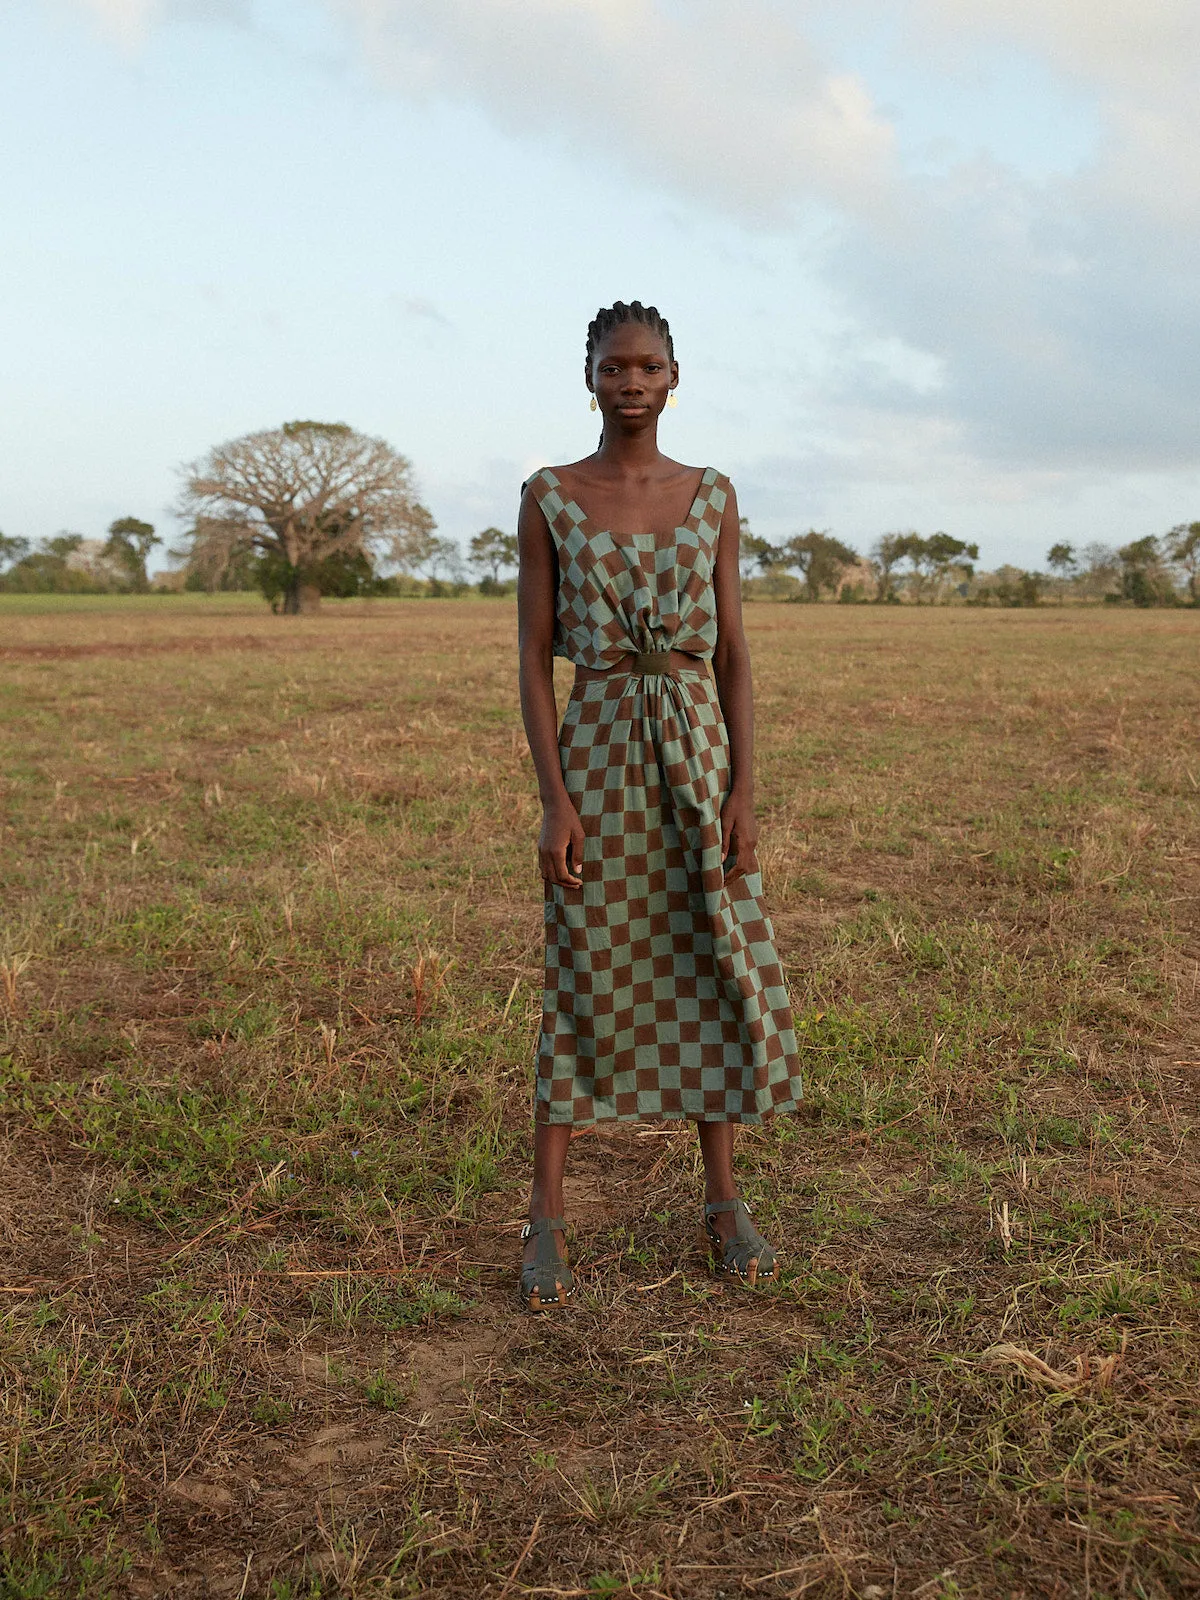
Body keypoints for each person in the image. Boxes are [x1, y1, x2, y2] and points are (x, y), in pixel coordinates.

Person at [515, 300, 802, 1311]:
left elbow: (731, 652)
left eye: (647, 366)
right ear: (588, 376)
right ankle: (545, 1215)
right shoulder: (549, 495)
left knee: (708, 955)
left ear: (674, 377)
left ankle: (723, 1203)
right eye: (613, 366)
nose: (630, 382)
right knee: (583, 963)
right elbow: (534, 659)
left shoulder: (712, 494)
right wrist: (556, 801)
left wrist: (744, 791)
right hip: (596, 748)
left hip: (696, 748)